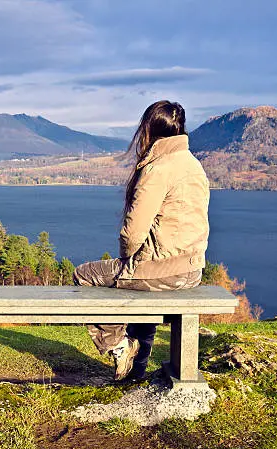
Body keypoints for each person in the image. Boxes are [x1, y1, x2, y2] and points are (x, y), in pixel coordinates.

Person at [73, 100, 209, 382]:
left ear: (147, 129)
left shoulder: (159, 168)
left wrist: (128, 258)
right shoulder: (193, 164)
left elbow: (133, 233)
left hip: (165, 271)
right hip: (191, 270)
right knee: (142, 290)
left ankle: (117, 345)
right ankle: (134, 374)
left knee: (86, 275)